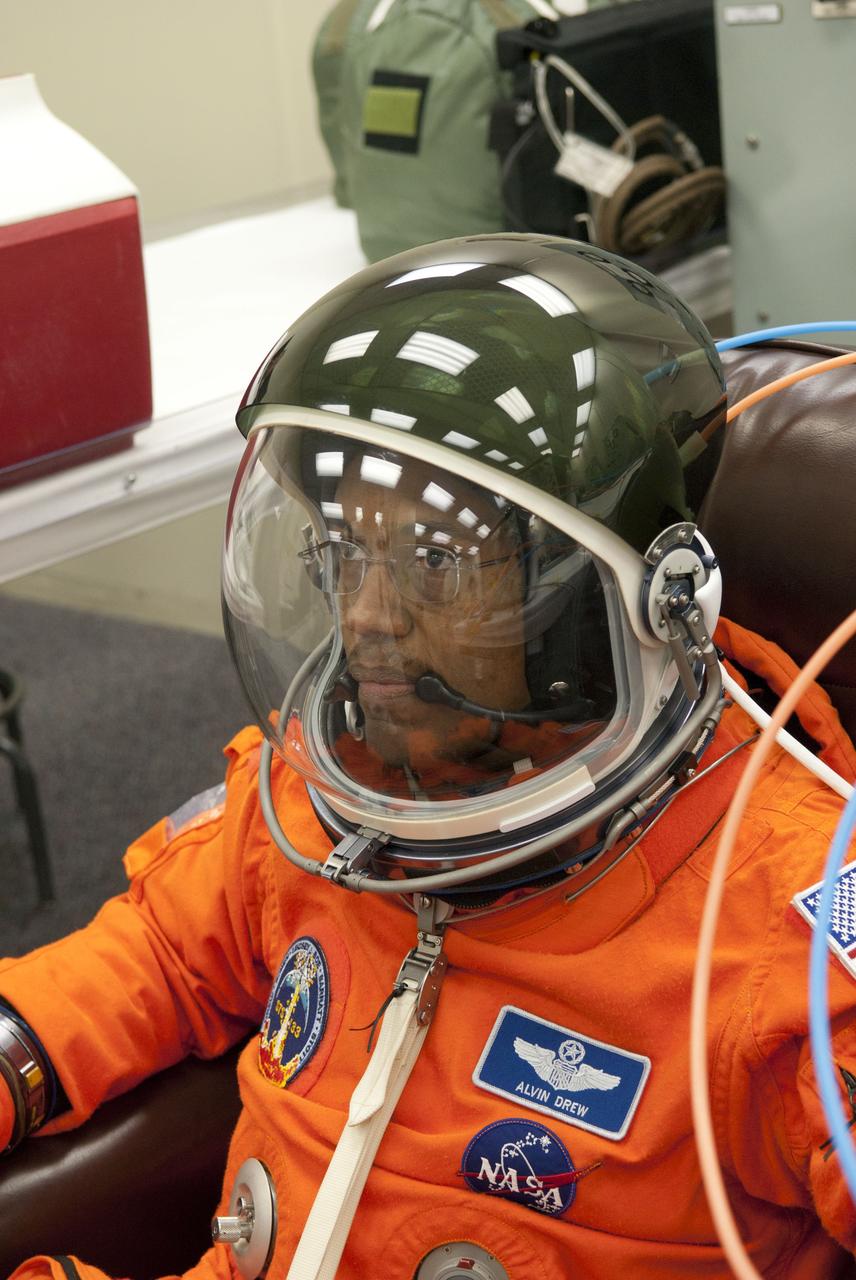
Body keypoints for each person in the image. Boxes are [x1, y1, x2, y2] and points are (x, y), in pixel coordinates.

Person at [2, 235, 856, 1280]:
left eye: (434, 561)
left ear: (609, 600)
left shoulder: (778, 929)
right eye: (346, 551)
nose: (364, 617)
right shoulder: (323, 795)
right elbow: (159, 956)